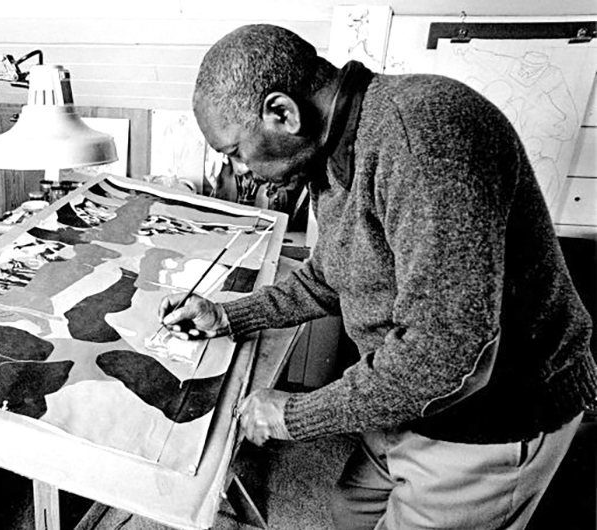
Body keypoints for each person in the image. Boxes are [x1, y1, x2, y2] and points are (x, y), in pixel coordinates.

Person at [158, 24, 597, 530]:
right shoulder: (332, 149)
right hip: (402, 398)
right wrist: (228, 315)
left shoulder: (423, 137)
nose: (241, 172)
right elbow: (329, 276)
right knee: (348, 511)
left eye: (235, 152)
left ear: (283, 113)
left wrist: (294, 415)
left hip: (489, 420)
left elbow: (445, 358)